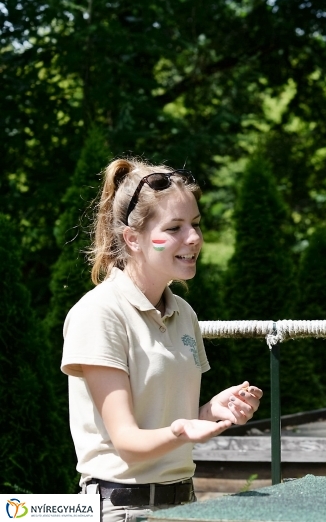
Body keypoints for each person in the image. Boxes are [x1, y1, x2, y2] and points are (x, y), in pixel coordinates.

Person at [61, 158, 262, 521]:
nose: (194, 238)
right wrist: (185, 428)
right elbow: (129, 443)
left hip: (184, 504)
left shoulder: (184, 313)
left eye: (196, 224)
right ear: (133, 239)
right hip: (119, 509)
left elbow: (169, 429)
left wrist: (211, 412)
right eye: (174, 228)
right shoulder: (100, 313)